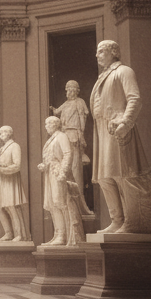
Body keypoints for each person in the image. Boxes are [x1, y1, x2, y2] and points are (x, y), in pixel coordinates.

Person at [90, 40, 151, 234]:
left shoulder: (124, 71)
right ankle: (117, 220)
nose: (97, 55)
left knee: (122, 175)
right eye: (97, 51)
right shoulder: (103, 76)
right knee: (105, 177)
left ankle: (133, 222)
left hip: (118, 128)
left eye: (101, 51)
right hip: (102, 131)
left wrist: (126, 123)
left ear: (113, 52)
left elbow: (134, 98)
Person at [38, 115, 85, 245]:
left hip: (58, 172)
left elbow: (68, 153)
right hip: (50, 173)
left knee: (60, 201)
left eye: (48, 124)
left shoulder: (61, 136)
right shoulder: (51, 139)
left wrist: (63, 171)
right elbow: (50, 157)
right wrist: (44, 165)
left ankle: (65, 235)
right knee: (52, 203)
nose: (46, 127)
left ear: (54, 124)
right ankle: (58, 233)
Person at [50, 80, 93, 215]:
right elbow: (57, 111)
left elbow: (82, 119)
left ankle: (79, 204)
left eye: (71, 90)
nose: (69, 92)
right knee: (66, 168)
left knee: (75, 169)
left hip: (74, 134)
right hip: (64, 136)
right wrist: (52, 109)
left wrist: (81, 134)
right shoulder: (67, 103)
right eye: (67, 90)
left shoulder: (79, 102)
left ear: (76, 91)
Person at [0, 125, 30, 242]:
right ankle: (9, 233)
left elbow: (17, 165)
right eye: (0, 132)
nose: (1, 134)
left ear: (10, 133)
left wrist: (4, 170)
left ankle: (19, 234)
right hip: (1, 182)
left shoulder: (14, 146)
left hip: (10, 180)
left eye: (4, 132)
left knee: (12, 206)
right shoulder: (1, 149)